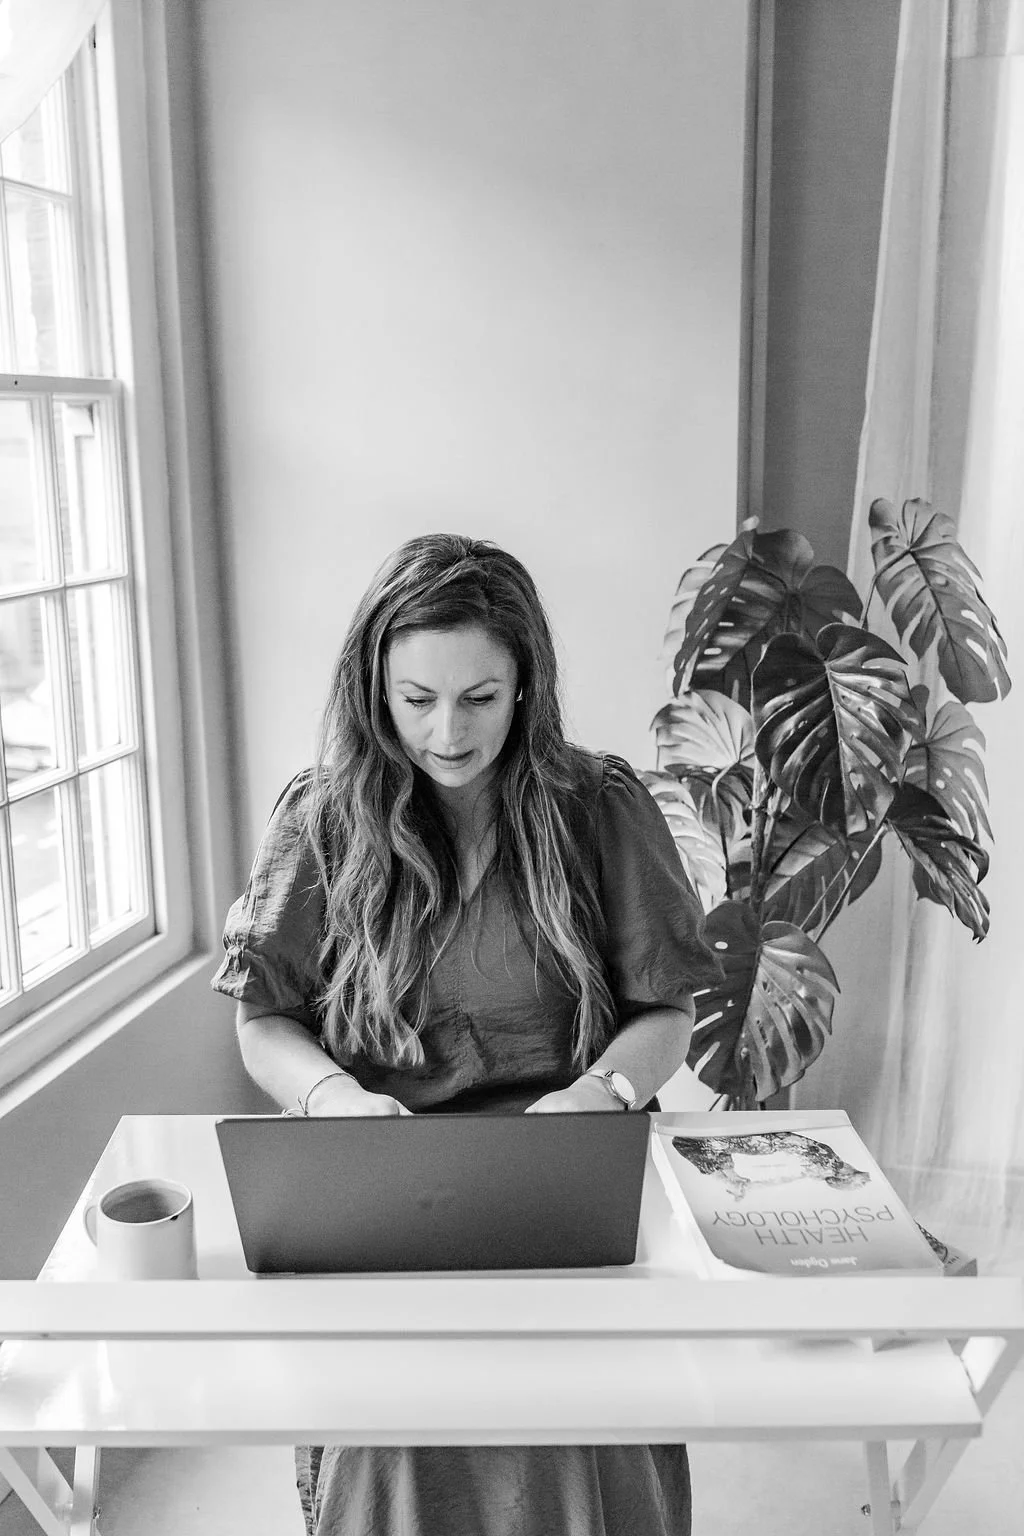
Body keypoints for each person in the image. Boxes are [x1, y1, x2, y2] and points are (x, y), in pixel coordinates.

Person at [211, 533, 722, 1536]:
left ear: (525, 683)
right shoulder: (319, 821)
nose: (448, 732)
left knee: (579, 1428)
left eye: (480, 698)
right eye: (417, 700)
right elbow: (263, 1018)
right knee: (400, 1432)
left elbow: (667, 1011)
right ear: (374, 691)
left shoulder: (598, 805)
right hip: (377, 1180)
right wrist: (334, 1099)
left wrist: (600, 1094)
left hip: (567, 1172)